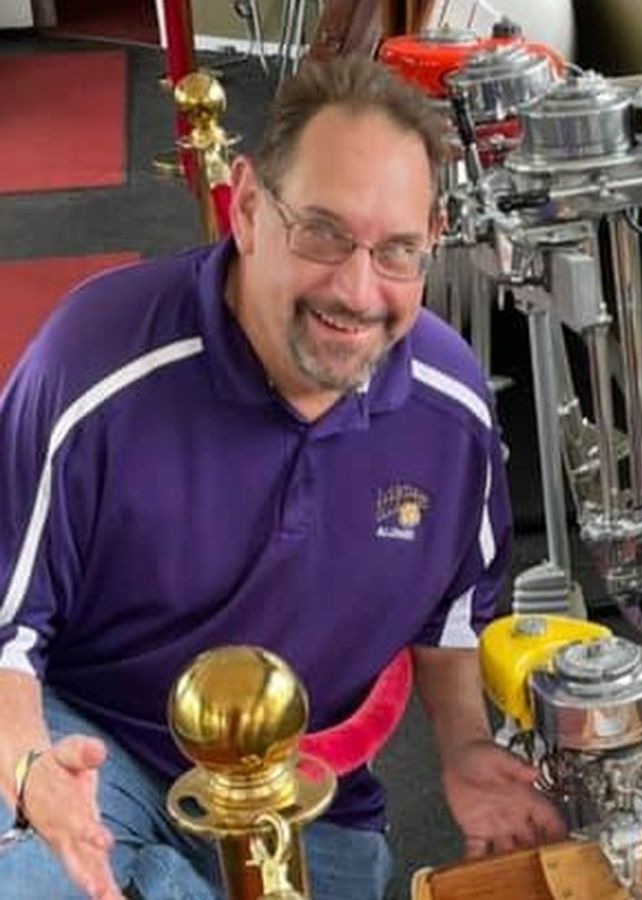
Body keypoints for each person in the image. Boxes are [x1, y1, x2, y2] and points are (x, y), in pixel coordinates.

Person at [0, 56, 564, 900]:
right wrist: (28, 769)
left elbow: (451, 613)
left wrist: (465, 748)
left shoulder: (450, 407)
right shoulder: (90, 364)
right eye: (324, 233)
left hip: (303, 778)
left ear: (431, 240)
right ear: (249, 209)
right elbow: (6, 628)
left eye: (397, 250)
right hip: (97, 749)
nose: (358, 291)